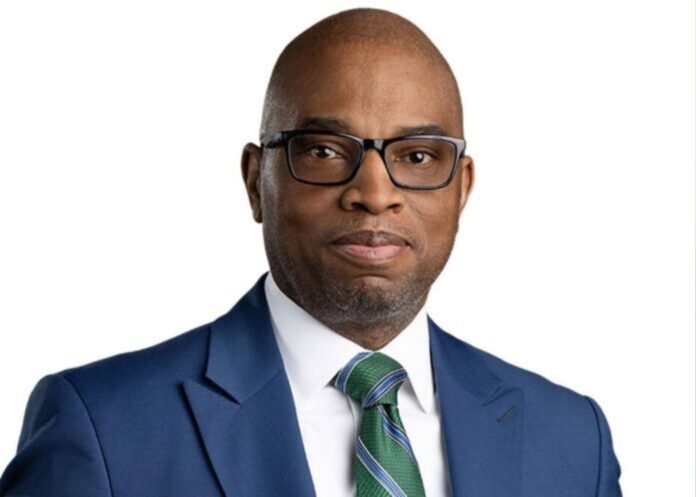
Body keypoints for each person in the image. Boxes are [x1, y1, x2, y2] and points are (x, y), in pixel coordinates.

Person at [0, 8, 622, 497]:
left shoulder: (572, 440)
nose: (374, 194)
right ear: (256, 182)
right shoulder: (104, 429)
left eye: (417, 157)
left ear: (461, 189)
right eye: (324, 150)